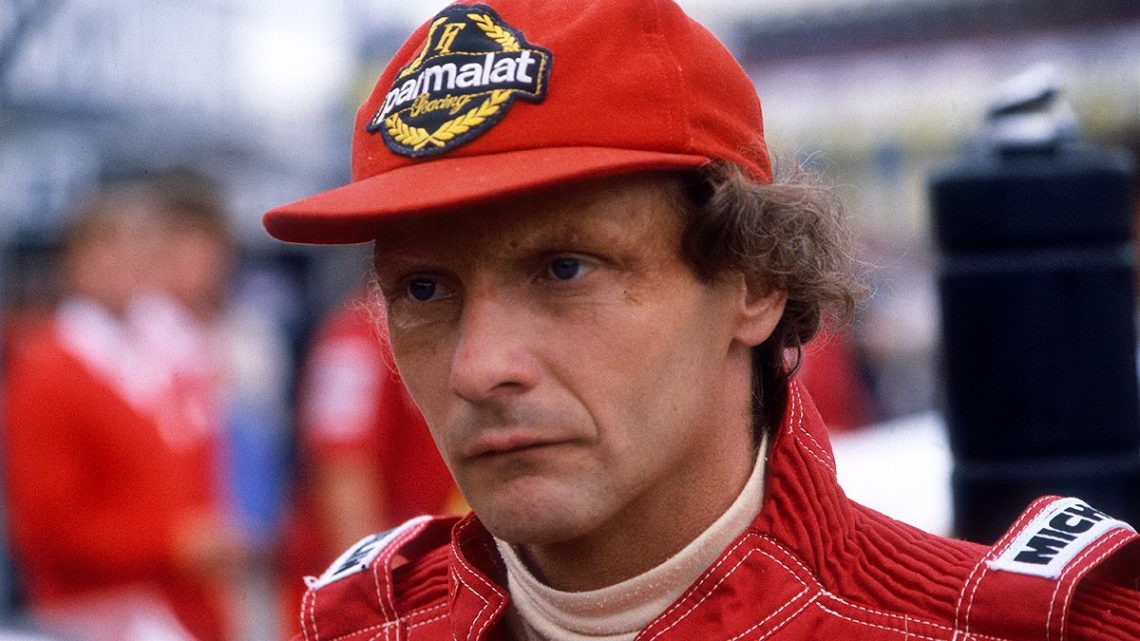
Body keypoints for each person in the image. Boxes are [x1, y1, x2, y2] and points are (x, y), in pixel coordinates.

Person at [262, 1, 1140, 639]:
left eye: (566, 268)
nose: (478, 366)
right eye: (423, 288)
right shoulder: (355, 625)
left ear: (756, 281)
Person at [2, 180, 240, 641]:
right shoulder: (47, 370)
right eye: (109, 246)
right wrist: (171, 544)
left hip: (181, 606)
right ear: (75, 259)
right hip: (95, 614)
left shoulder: (168, 351)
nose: (128, 261)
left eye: (141, 245)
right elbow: (46, 528)